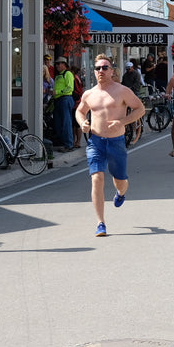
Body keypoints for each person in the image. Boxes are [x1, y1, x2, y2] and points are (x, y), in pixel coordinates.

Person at [74, 54, 144, 237]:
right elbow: (80, 111)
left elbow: (140, 109)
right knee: (96, 178)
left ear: (112, 71)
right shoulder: (89, 94)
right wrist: (82, 123)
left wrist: (123, 121)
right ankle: (100, 223)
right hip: (96, 142)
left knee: (120, 181)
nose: (101, 71)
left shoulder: (122, 91)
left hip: (116, 142)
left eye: (105, 68)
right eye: (98, 68)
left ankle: (120, 194)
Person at [51, 57, 76, 152]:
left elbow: (70, 88)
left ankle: (69, 144)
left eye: (59, 64)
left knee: (66, 122)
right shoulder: (58, 76)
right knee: (59, 123)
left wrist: (58, 91)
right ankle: (64, 142)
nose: (57, 66)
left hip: (65, 99)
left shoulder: (68, 74)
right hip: (58, 99)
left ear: (64, 64)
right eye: (56, 64)